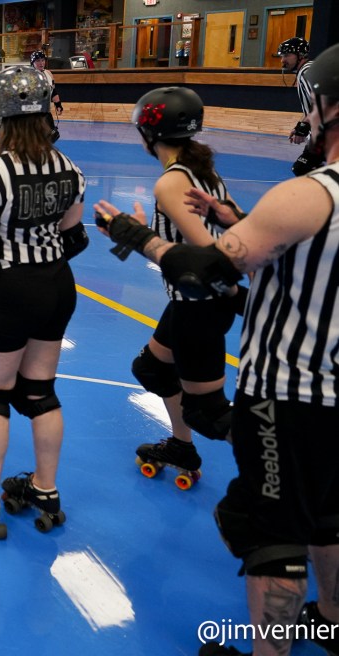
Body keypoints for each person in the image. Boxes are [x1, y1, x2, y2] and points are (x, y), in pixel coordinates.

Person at [95, 42, 339, 656]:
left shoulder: (313, 192)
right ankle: (332, 619)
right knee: (327, 512)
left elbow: (207, 271)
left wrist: (133, 235)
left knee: (267, 526)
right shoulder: (259, 190)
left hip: (289, 387)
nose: (304, 119)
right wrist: (233, 216)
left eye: (311, 106)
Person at [0, 66, 87, 541]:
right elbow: (74, 240)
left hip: (10, 291)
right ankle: (46, 489)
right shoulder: (69, 167)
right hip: (57, 285)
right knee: (40, 392)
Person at [111, 87, 244, 490]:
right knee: (151, 368)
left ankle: (292, 470)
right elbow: (231, 229)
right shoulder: (203, 170)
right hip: (191, 302)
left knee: (211, 413)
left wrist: (136, 238)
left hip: (198, 305)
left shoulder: (170, 182)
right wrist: (149, 233)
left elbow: (204, 262)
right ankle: (181, 447)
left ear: (148, 135)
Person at [277, 37, 323, 176]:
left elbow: (322, 103)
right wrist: (300, 126)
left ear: (300, 55)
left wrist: (303, 127)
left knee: (302, 168)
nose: (282, 60)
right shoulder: (310, 69)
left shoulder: (306, 72)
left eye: (286, 55)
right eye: (282, 56)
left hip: (326, 133)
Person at [30, 50, 64, 143]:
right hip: (32, 114)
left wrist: (58, 105)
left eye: (42, 60)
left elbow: (53, 92)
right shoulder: (29, 76)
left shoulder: (48, 74)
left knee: (52, 137)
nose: (41, 63)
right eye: (38, 61)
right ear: (32, 63)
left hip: (46, 112)